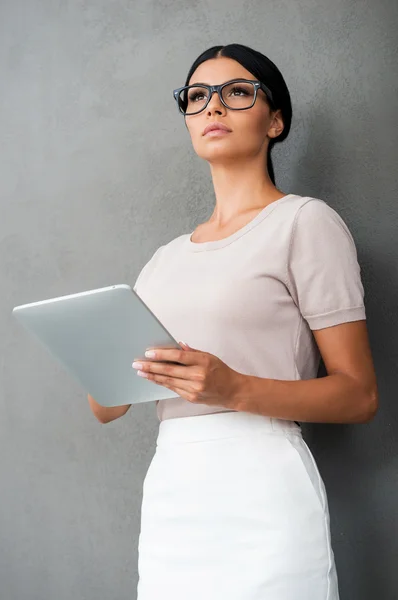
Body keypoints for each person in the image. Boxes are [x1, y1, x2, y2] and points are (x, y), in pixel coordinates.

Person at [131, 43, 378, 600]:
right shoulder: (163, 260)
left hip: (264, 494)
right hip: (172, 498)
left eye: (236, 92)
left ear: (276, 120)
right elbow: (108, 404)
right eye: (197, 97)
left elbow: (359, 396)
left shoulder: (304, 223)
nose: (212, 107)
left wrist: (233, 387)